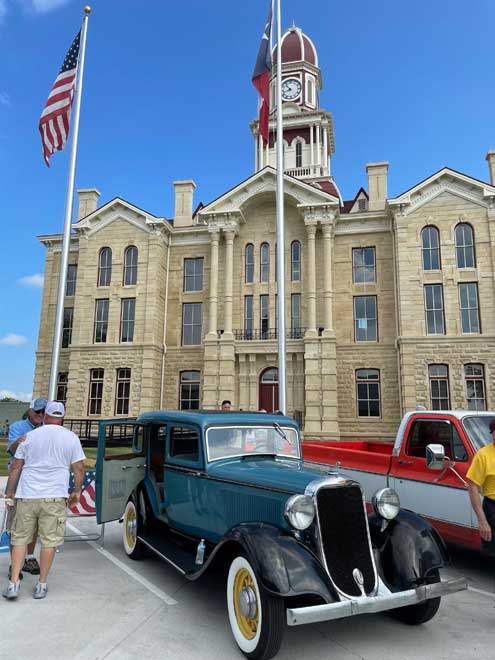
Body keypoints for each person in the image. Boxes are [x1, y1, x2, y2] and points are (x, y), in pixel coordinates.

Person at [2, 401, 85, 600]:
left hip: (28, 494)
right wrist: (77, 491)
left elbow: (16, 467)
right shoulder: (71, 437)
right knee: (49, 541)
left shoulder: (29, 436)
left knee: (20, 538)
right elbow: (79, 469)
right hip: (54, 496)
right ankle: (41, 584)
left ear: (46, 416)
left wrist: (10, 492)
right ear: (62, 418)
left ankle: (14, 583)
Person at [6, 397, 48, 577]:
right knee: (15, 526)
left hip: (38, 484)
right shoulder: (18, 427)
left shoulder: (48, 430)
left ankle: (29, 558)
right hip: (19, 482)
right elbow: (13, 451)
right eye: (38, 411)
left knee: (35, 525)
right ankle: (14, 563)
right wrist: (21, 441)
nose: (40, 415)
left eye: (44, 412)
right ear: (30, 411)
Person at [466, 418, 495, 557]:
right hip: (492, 509)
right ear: (492, 433)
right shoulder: (483, 455)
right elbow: (473, 488)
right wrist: (483, 521)